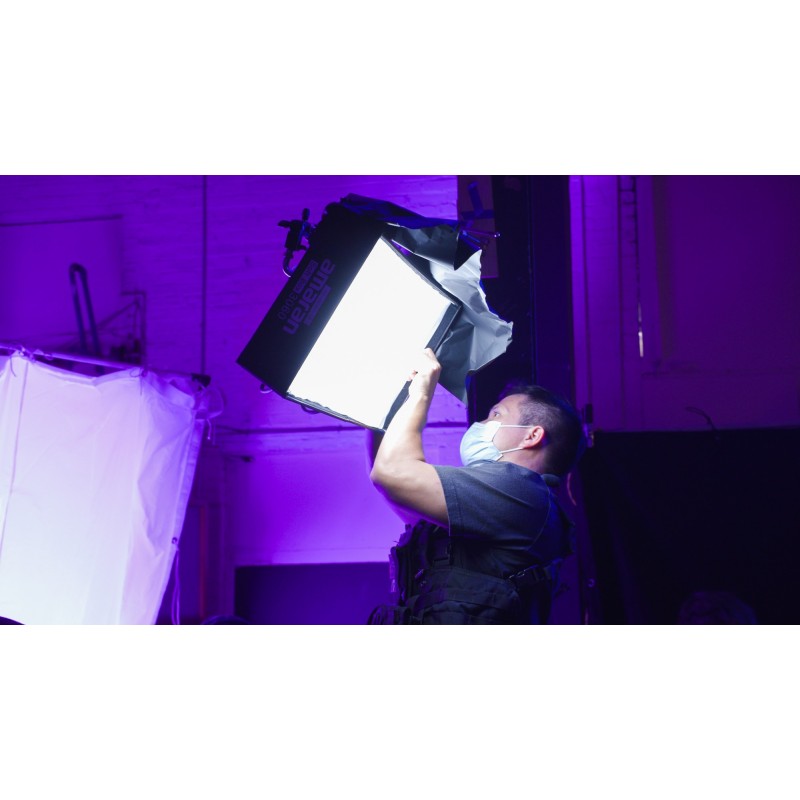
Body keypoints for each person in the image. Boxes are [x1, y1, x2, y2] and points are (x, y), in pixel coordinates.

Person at [367, 348, 586, 624]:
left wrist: (421, 392)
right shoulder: (502, 499)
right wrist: (383, 411)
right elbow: (399, 489)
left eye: (496, 414)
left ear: (531, 436)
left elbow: (393, 473)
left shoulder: (524, 493)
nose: (480, 423)